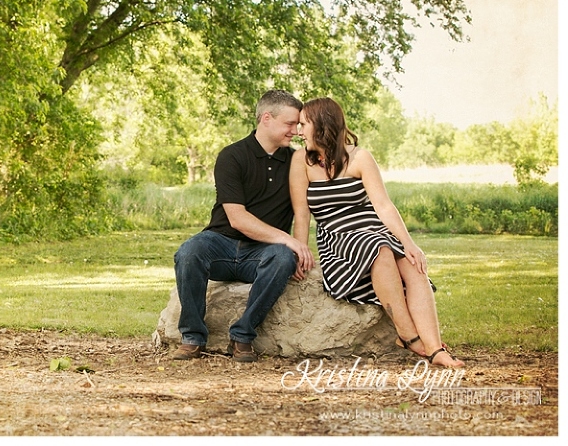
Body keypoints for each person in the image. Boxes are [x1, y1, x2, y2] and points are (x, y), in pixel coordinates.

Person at [289, 97, 464, 368]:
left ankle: (435, 348)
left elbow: (383, 205)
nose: (298, 131)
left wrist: (409, 244)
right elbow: (302, 213)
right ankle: (408, 335)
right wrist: (300, 251)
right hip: (338, 238)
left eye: (303, 124)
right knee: (379, 248)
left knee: (412, 263)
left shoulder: (360, 157)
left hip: (373, 229)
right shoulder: (301, 160)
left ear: (322, 125)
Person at [172, 89, 315, 362]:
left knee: (283, 258)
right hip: (220, 243)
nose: (296, 131)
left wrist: (298, 249)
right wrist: (289, 240)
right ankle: (192, 337)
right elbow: (237, 218)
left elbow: (301, 212)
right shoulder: (233, 156)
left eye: (298, 125)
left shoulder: (295, 161)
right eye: (289, 123)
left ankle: (243, 335)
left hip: (263, 252)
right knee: (189, 252)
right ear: (266, 118)